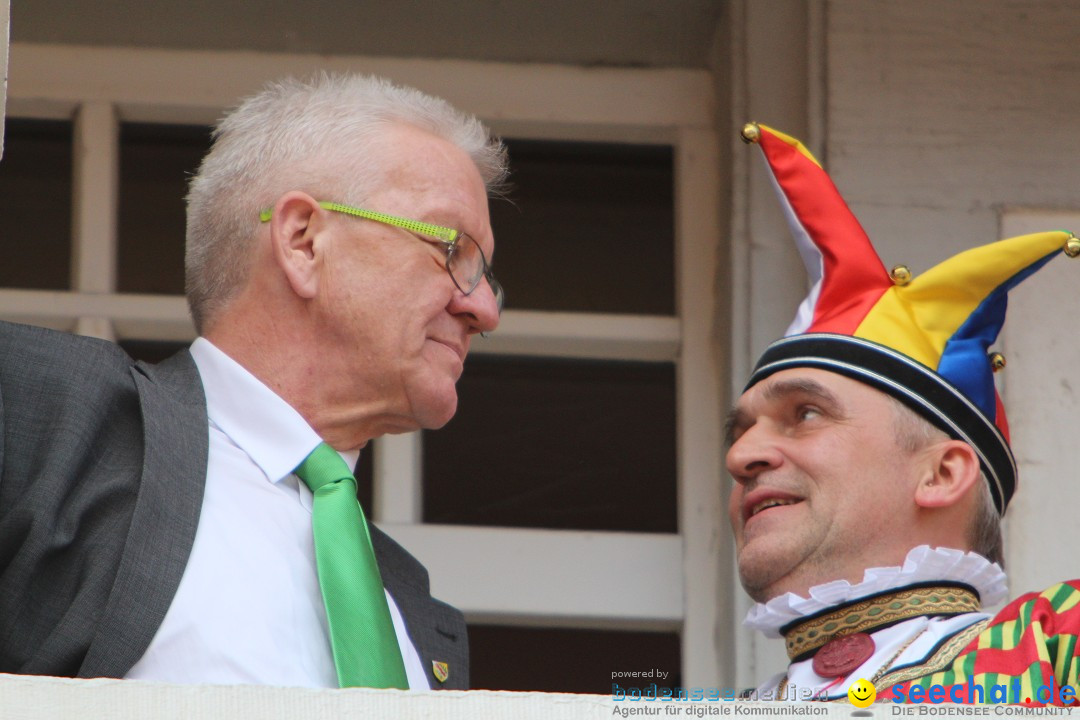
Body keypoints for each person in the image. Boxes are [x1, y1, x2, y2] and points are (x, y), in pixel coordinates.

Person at [0, 73, 508, 690]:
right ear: (302, 242)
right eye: (452, 251)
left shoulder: (412, 602)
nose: (483, 309)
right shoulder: (52, 415)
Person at [728, 123, 1080, 705]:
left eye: (806, 413)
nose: (740, 456)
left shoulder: (1056, 647)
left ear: (941, 474)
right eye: (738, 432)